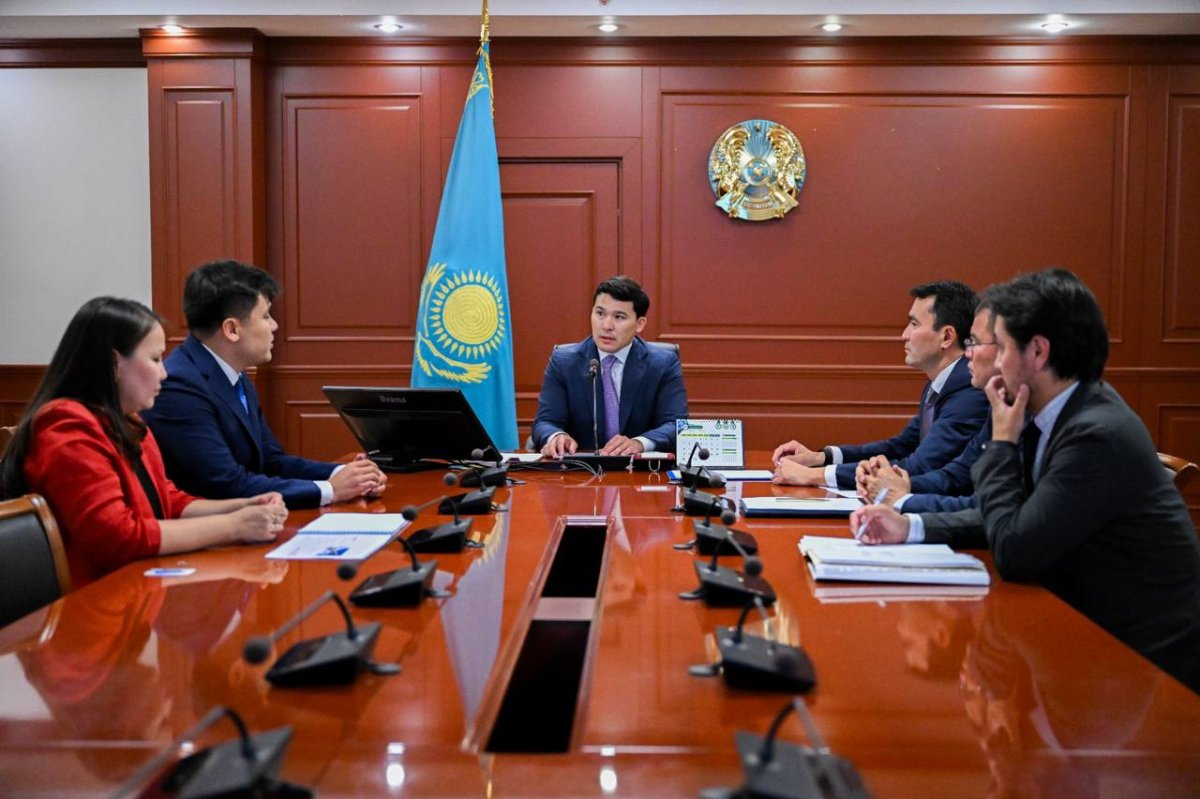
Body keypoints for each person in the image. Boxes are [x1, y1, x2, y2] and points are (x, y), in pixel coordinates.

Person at [852, 269, 1200, 693]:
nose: (980, 359)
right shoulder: (1049, 412)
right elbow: (1011, 516)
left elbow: (1015, 549)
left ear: (1037, 352)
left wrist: (1001, 443)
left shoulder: (1095, 433)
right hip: (1081, 633)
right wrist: (909, 527)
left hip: (1140, 666)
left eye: (996, 346)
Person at [0, 297, 288, 588]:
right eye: (155, 359)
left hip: (134, 586)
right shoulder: (66, 428)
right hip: (92, 598)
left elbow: (167, 500)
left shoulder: (129, 422)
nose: (164, 373)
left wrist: (241, 506)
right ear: (114, 363)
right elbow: (118, 537)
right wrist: (235, 526)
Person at [142, 260, 386, 508]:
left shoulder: (234, 374)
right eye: (266, 316)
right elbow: (226, 485)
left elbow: (270, 462)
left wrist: (346, 473)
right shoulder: (179, 386)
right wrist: (331, 490)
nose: (274, 326)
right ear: (232, 329)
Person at [772, 280, 988, 490]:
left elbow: (918, 467)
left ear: (947, 336)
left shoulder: (969, 392)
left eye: (914, 324)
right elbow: (900, 447)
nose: (904, 335)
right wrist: (820, 457)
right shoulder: (943, 383)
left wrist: (813, 475)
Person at [856, 306, 1002, 513]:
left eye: (975, 343)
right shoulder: (1003, 407)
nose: (968, 353)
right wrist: (894, 485)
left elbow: (988, 508)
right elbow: (957, 473)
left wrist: (899, 498)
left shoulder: (972, 394)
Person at [532, 275, 688, 457]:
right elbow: (545, 422)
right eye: (600, 314)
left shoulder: (663, 363)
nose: (606, 325)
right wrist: (556, 436)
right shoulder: (564, 361)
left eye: (619, 317)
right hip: (580, 467)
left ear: (639, 324)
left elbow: (677, 425)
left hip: (638, 468)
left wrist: (640, 443)